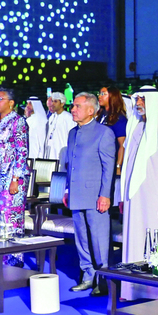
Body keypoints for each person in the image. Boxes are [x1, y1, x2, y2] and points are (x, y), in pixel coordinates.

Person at [119, 86, 158, 300]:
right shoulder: (134, 127)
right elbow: (127, 167)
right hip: (134, 199)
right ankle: (132, 290)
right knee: (134, 241)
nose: (138, 104)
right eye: (137, 99)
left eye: (143, 100)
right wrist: (122, 197)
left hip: (157, 199)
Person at [63, 92, 115, 295]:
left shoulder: (104, 133)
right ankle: (87, 276)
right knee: (81, 239)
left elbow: (108, 168)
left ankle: (103, 280)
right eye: (73, 106)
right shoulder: (72, 133)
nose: (73, 109)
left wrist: (105, 195)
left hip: (95, 196)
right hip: (76, 194)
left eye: (77, 106)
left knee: (99, 240)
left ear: (91, 110)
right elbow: (70, 165)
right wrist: (67, 189)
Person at [0, 87, 29, 265]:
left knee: (10, 217)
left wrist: (16, 178)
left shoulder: (18, 121)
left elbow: (22, 151)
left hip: (10, 177)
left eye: (0, 99)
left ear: (11, 103)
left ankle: (14, 260)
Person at [96, 87, 127, 175]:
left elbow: (122, 145)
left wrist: (118, 166)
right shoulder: (101, 115)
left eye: (103, 94)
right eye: (99, 94)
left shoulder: (119, 118)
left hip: (110, 163)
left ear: (112, 96)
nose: (99, 96)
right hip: (98, 162)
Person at [44, 91, 75, 168]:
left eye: (55, 101)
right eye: (52, 101)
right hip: (50, 153)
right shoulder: (51, 117)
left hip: (62, 153)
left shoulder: (69, 118)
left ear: (62, 104)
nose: (52, 104)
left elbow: (72, 138)